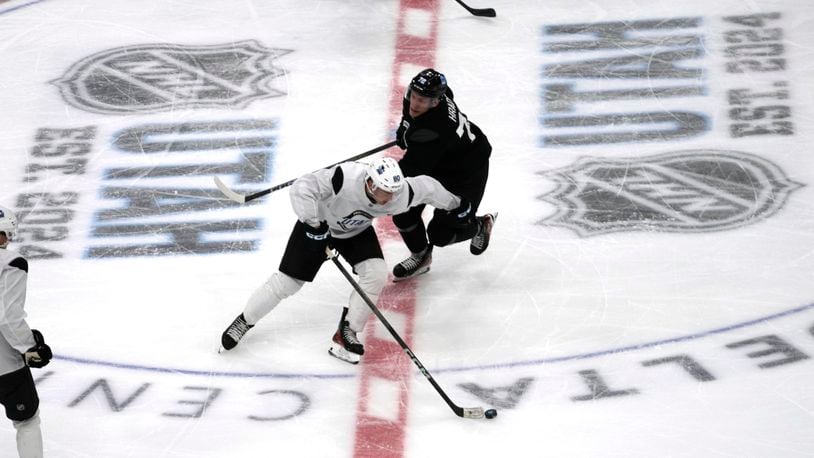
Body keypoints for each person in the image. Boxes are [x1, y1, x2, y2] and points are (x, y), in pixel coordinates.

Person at [219, 157, 469, 364]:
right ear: (370, 183)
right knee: (288, 283)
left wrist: (456, 205)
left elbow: (429, 187)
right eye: (384, 191)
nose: (389, 198)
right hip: (319, 226)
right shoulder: (345, 178)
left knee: (376, 273)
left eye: (393, 192)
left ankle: (347, 331)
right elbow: (302, 187)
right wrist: (314, 224)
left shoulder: (399, 193)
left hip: (355, 232)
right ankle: (245, 321)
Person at [392, 68, 496, 281]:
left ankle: (479, 225)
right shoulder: (432, 96)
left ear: (436, 102)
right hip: (439, 158)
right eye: (414, 95)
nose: (414, 103)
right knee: (403, 212)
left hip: (466, 171)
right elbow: (444, 95)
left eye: (422, 100)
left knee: (440, 234)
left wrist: (374, 181)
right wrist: (405, 128)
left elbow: (410, 170)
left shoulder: (435, 130)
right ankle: (421, 256)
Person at [0, 206, 52, 458]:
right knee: (27, 421)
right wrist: (30, 347)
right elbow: (8, 318)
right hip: (5, 366)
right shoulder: (11, 263)